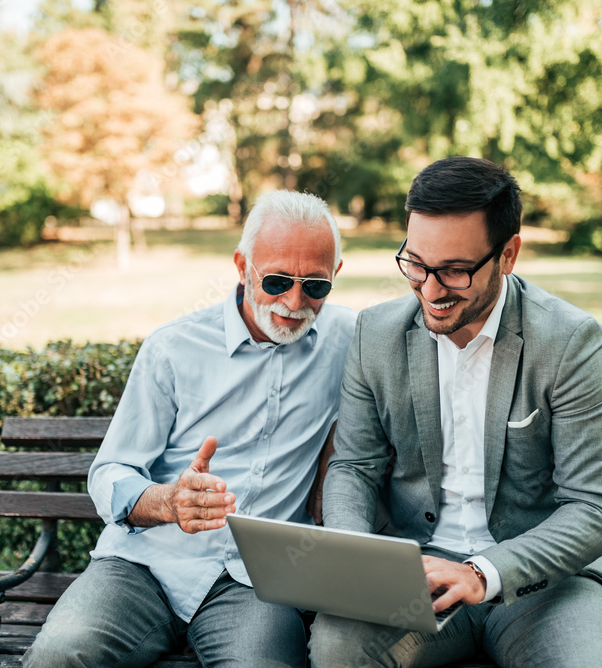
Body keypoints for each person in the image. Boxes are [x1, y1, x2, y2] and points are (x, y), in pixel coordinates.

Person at [309, 157, 602, 667]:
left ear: (508, 255)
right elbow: (354, 467)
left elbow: (594, 509)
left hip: (548, 584)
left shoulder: (571, 343)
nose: (430, 290)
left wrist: (483, 573)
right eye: (416, 264)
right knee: (337, 650)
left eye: (455, 271)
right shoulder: (375, 335)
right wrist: (356, 560)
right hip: (416, 576)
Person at [22, 190, 356, 668]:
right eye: (278, 280)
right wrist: (167, 502)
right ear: (243, 266)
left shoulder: (350, 339)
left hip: (257, 581)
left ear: (335, 276)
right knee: (59, 656)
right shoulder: (173, 349)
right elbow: (111, 470)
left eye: (316, 286)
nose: (295, 302)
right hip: (145, 565)